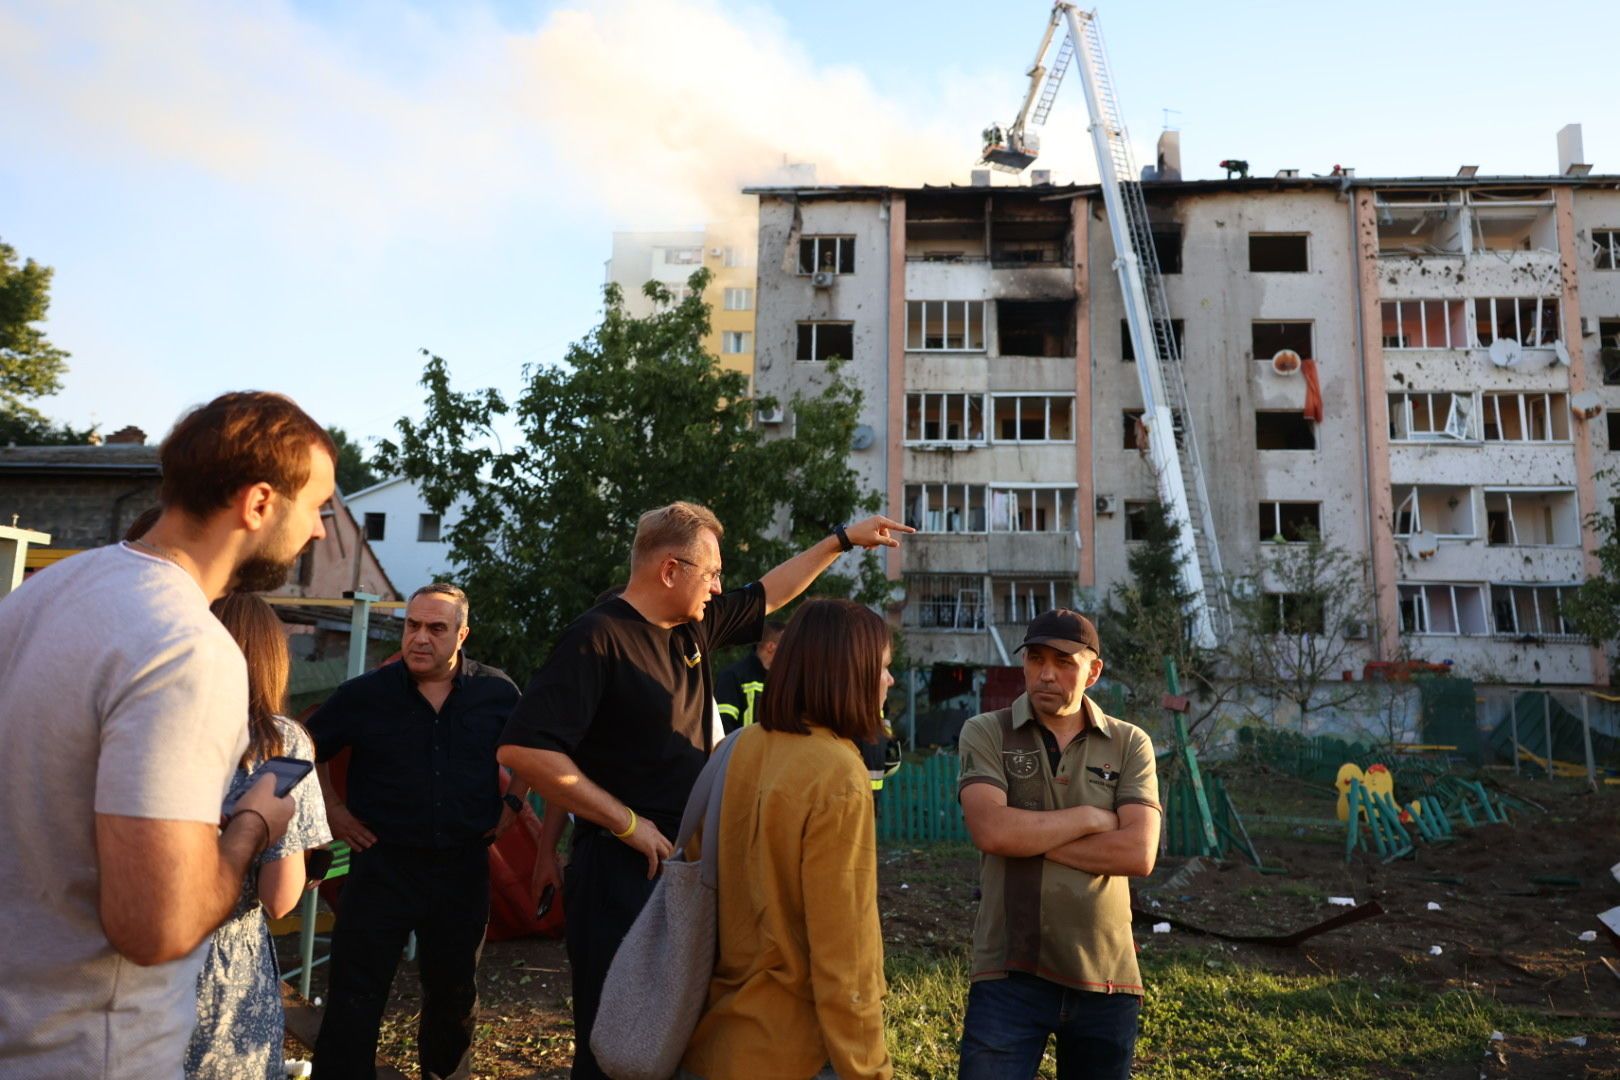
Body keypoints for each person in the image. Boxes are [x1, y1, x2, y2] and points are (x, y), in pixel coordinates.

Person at [498, 502, 911, 1080]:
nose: (720, 588)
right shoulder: (597, 639)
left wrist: (841, 541)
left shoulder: (692, 624)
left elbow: (769, 593)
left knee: (673, 1034)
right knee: (621, 1043)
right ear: (670, 570)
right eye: (712, 574)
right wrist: (626, 823)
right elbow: (524, 750)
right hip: (621, 868)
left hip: (682, 866)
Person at [0, 391, 334, 1077]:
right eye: (318, 508)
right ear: (259, 503)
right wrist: (252, 825)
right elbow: (156, 928)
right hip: (92, 1050)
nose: (322, 533)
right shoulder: (187, 646)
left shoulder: (41, 597)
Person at [307, 582, 536, 1080]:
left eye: (436, 628)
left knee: (454, 994)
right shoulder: (365, 694)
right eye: (413, 626)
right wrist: (334, 810)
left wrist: (514, 802)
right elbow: (308, 746)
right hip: (382, 866)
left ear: (462, 634)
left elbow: (532, 750)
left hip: (462, 866)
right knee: (354, 993)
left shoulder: (497, 693)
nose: (420, 638)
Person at [680, 599, 895, 1080]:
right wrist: (870, 1069)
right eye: (882, 668)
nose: (889, 681)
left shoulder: (740, 745)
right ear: (849, 672)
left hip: (711, 1040)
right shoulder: (838, 772)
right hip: (792, 1052)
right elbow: (847, 952)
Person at [956, 609, 1161, 1080]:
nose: (1047, 673)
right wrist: (1090, 818)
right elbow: (991, 832)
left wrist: (1023, 837)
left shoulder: (1129, 743)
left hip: (1106, 977)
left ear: (1093, 671)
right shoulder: (988, 731)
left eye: (1065, 661)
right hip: (1008, 971)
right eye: (1036, 658)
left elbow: (1137, 853)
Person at [186, 593, 332, 1079]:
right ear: (271, 657)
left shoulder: (155, 723)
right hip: (226, 978)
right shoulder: (281, 743)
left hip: (137, 959)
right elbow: (279, 898)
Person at [714, 619, 784, 732]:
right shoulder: (732, 676)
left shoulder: (783, 681)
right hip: (739, 749)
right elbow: (722, 726)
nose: (792, 652)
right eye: (788, 645)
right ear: (771, 647)